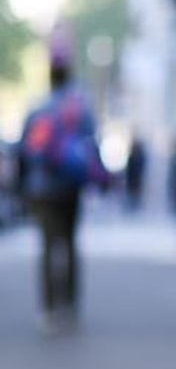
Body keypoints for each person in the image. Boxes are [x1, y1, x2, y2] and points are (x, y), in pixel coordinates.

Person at [18, 57, 107, 332]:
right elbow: (93, 146)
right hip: (70, 187)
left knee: (47, 247)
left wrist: (22, 188)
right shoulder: (78, 110)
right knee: (70, 245)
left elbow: (25, 151)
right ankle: (70, 306)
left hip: (42, 188)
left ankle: (47, 308)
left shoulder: (38, 108)